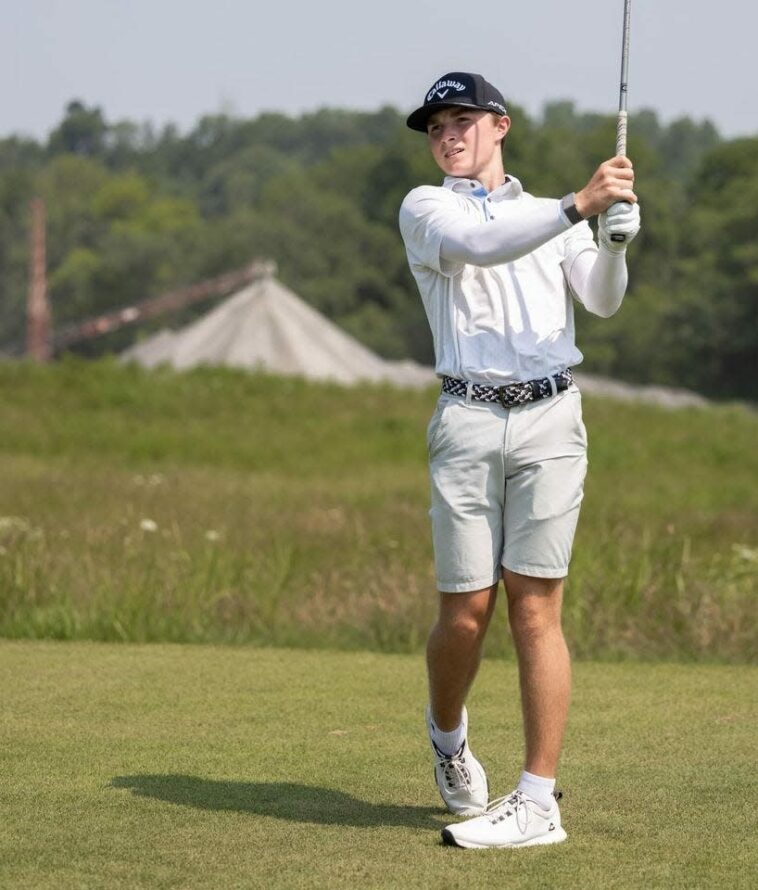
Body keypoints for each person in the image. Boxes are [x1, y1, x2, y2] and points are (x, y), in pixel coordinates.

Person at [398, 71, 641, 849]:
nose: (447, 136)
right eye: (436, 127)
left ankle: (538, 801)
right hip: (468, 416)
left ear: (500, 126)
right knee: (466, 612)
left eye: (462, 120)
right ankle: (447, 736)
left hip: (551, 416)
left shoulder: (550, 214)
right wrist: (579, 206)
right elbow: (479, 243)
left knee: (536, 605)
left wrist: (613, 243)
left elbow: (601, 300)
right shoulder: (426, 207)